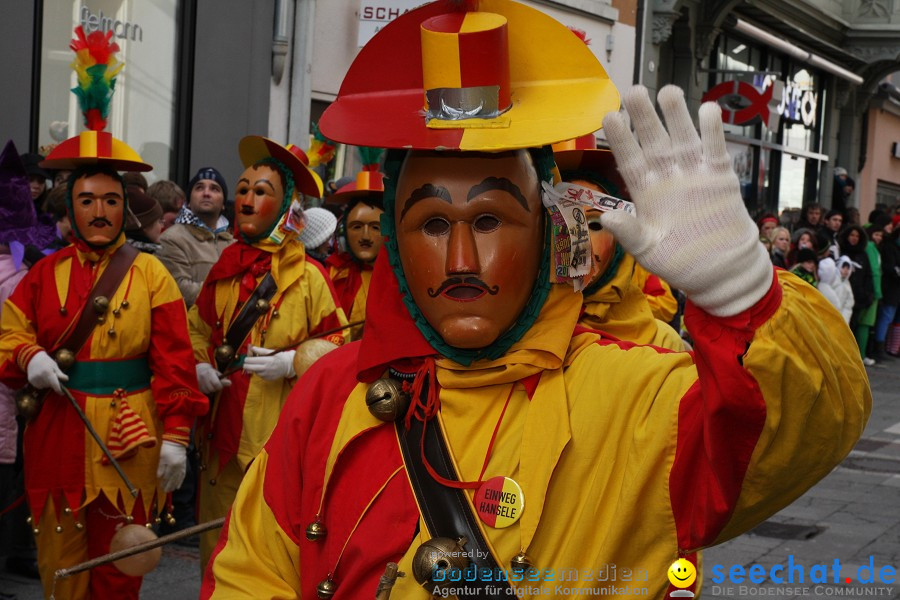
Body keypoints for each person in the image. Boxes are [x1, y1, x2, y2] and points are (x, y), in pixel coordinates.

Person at [201, 3, 869, 599]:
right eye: (433, 224)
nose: (461, 262)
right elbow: (251, 570)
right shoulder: (330, 394)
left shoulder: (629, 392)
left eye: (490, 221)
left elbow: (800, 434)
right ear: (399, 246)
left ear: (548, 232)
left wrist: (744, 296)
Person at [0, 36, 208, 596]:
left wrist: (176, 438)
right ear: (70, 210)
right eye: (88, 200)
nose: (100, 211)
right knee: (60, 567)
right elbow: (7, 332)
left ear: (125, 209)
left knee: (121, 567)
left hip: (130, 437)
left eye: (111, 201)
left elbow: (175, 359)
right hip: (59, 434)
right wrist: (30, 355)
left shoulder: (153, 274)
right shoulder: (42, 275)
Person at [189, 136, 350, 570]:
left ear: (285, 207)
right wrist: (200, 365)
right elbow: (195, 328)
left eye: (261, 192)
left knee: (267, 549)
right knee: (216, 545)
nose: (245, 198)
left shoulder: (311, 277)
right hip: (221, 431)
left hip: (277, 432)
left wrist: (294, 362)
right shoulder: (224, 269)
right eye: (243, 189)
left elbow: (341, 346)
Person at [553, 143, 683, 350]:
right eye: (564, 223)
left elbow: (667, 303)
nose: (580, 242)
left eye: (595, 224)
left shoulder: (662, 343)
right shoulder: (512, 330)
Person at [0, 141, 58, 584]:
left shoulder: (29, 270)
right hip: (11, 393)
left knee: (17, 479)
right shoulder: (25, 273)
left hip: (17, 391)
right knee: (9, 481)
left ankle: (17, 553)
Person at [325, 162, 386, 341]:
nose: (365, 236)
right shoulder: (333, 274)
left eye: (375, 227)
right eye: (357, 226)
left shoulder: (405, 279)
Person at [156, 168, 233, 307]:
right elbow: (180, 290)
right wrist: (231, 292)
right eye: (199, 188)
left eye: (214, 189)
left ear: (223, 204)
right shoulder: (172, 238)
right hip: (189, 327)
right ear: (189, 202)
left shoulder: (233, 244)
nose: (206, 193)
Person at [839, 225, 875, 363]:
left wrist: (867, 294)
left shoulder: (862, 254)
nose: (854, 238)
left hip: (859, 298)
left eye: (857, 236)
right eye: (851, 235)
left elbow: (868, 274)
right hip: (843, 296)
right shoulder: (841, 252)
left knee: (854, 326)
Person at [874, 218, 898, 361]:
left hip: (894, 289)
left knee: (890, 318)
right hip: (890, 288)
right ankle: (879, 347)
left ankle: (889, 347)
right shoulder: (890, 247)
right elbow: (890, 268)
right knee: (886, 317)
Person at [124, 185, 164, 254]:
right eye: (159, 221)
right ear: (145, 225)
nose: (162, 226)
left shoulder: (118, 251)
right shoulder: (150, 257)